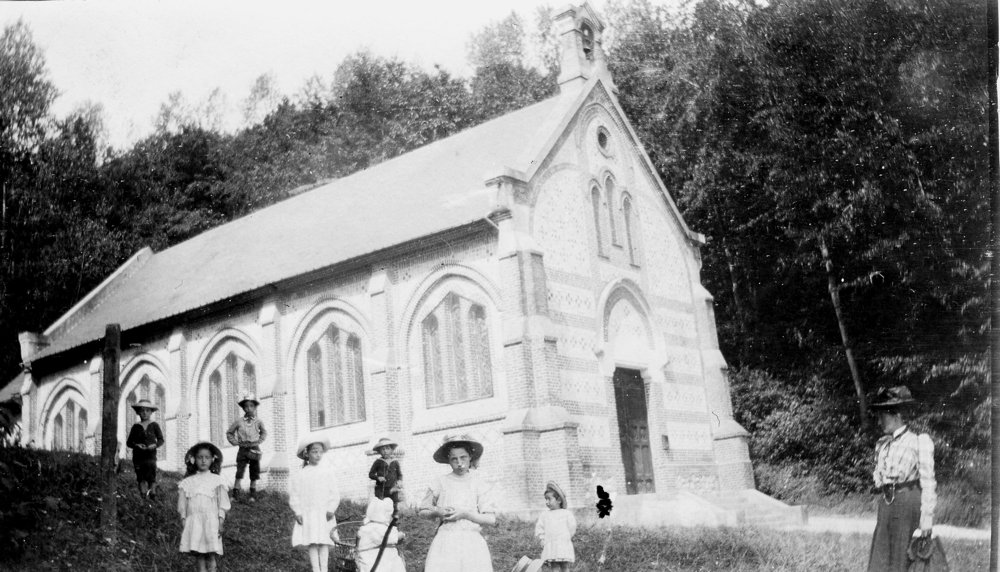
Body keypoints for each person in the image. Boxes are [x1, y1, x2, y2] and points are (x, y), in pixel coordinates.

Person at [867, 386, 937, 572]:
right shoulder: (883, 444)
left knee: (901, 557)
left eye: (883, 416)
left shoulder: (918, 441)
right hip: (886, 503)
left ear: (897, 415)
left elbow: (928, 482)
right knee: (880, 557)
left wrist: (927, 519)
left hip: (907, 502)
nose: (879, 421)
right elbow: (879, 475)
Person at [419, 434, 497, 572]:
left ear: (470, 457)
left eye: (463, 457)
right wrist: (438, 511)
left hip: (471, 541)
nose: (459, 463)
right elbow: (423, 511)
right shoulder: (440, 482)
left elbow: (491, 519)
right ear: (448, 460)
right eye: (454, 459)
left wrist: (466, 514)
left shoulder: (479, 482)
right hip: (446, 542)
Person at [290, 436, 340, 572]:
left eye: (320, 452)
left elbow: (334, 492)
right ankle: (316, 569)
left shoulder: (327, 471)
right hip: (309, 512)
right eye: (314, 452)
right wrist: (298, 512)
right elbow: (295, 494)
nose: (318, 455)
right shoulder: (301, 474)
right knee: (312, 540)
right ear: (307, 454)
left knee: (324, 540)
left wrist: (331, 508)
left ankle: (324, 569)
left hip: (324, 512)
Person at [178, 442, 230, 572]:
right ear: (194, 459)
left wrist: (220, 521)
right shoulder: (187, 482)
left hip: (211, 522)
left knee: (211, 553)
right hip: (194, 522)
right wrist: (184, 520)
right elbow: (182, 505)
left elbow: (222, 503)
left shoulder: (217, 480)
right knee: (199, 553)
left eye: (207, 457)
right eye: (200, 457)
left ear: (212, 459)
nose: (203, 460)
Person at [226, 393, 267, 503]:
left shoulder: (258, 421)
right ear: (243, 408)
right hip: (243, 448)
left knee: (254, 471)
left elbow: (264, 433)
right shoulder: (239, 421)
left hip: (254, 448)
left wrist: (259, 441)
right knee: (239, 471)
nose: (249, 408)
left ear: (254, 407)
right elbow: (229, 433)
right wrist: (235, 442)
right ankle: (235, 495)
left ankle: (252, 495)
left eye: (251, 406)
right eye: (246, 406)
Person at [125, 398, 165, 498]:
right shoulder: (135, 426)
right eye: (142, 410)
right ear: (138, 412)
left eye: (147, 410)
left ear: (151, 412)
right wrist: (137, 445)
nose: (145, 413)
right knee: (140, 476)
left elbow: (161, 440)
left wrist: (154, 445)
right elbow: (129, 442)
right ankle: (143, 495)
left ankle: (152, 494)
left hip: (151, 456)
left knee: (151, 474)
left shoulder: (154, 425)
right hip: (138, 456)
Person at [355, 497, 406, 572]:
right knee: (393, 559)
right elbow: (394, 537)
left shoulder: (366, 527)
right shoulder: (378, 528)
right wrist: (402, 534)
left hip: (368, 562)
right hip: (375, 564)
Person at [535, 481, 576, 571]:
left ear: (559, 500)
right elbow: (540, 528)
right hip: (551, 545)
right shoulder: (545, 515)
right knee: (554, 566)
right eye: (546, 499)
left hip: (563, 544)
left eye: (549, 499)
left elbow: (572, 527)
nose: (547, 502)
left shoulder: (566, 514)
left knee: (565, 566)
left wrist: (566, 537)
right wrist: (542, 539)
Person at [368, 437, 403, 515]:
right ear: (379, 451)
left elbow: (399, 474)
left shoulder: (395, 462)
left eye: (387, 448)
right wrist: (378, 478)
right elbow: (371, 474)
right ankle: (381, 520)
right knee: (381, 506)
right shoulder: (378, 462)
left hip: (393, 488)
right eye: (383, 449)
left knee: (394, 506)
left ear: (391, 450)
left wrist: (399, 481)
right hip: (381, 489)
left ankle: (394, 520)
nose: (385, 451)